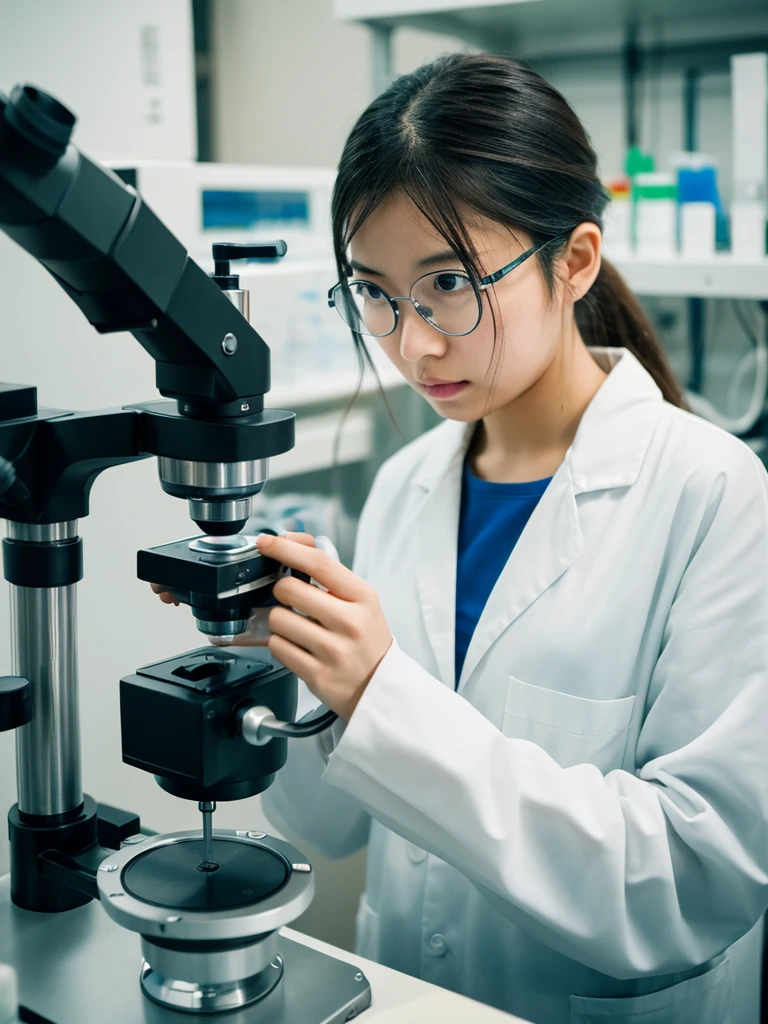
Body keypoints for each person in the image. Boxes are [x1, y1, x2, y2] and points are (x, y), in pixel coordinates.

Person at [156, 54, 768, 1024]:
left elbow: (692, 882)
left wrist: (380, 694)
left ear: (574, 261)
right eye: (377, 293)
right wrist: (298, 672)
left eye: (447, 282)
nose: (413, 344)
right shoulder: (405, 487)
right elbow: (331, 823)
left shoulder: (716, 495)